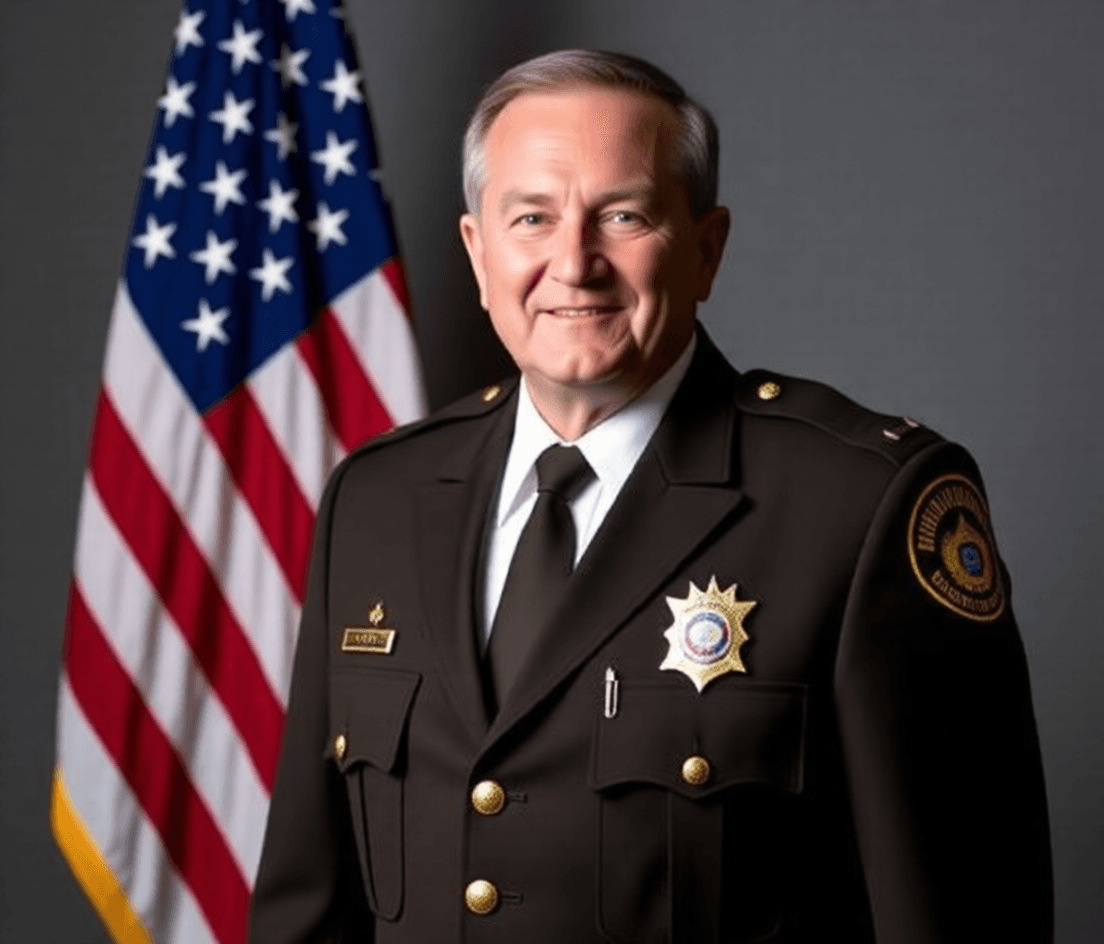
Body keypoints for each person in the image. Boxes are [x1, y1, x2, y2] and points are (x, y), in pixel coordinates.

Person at [249, 50, 1052, 943]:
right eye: (531, 218)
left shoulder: (858, 507)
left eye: (622, 216)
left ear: (707, 249)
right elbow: (307, 911)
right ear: (478, 253)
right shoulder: (376, 499)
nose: (573, 263)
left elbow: (965, 917)